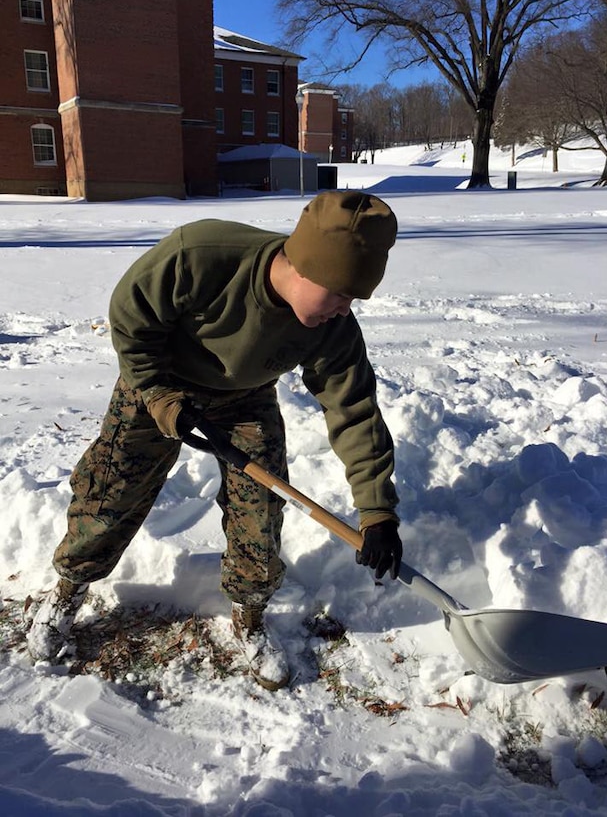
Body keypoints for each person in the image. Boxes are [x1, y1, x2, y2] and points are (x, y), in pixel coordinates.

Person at [27, 190, 403, 690]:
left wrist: (377, 512)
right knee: (110, 494)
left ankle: (249, 616)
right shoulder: (200, 256)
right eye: (340, 294)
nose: (344, 309)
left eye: (354, 299)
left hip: (245, 399)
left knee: (262, 510)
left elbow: (353, 409)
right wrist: (161, 398)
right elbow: (131, 322)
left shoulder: (332, 328)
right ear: (306, 267)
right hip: (157, 382)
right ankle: (68, 590)